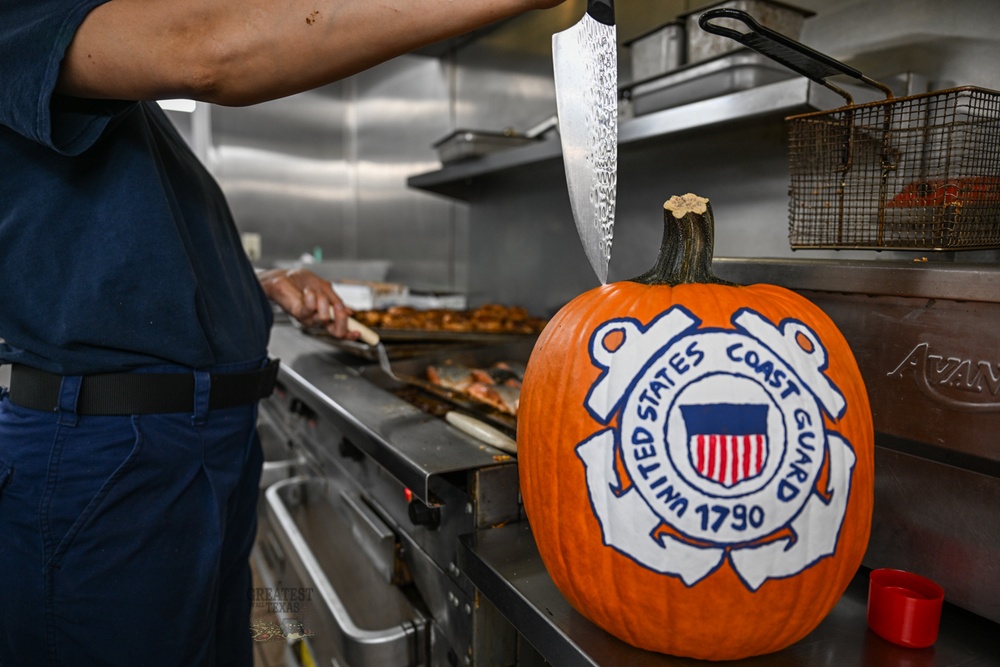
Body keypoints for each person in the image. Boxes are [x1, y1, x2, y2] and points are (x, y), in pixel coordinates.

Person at [0, 0, 565, 664]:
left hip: (183, 449)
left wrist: (247, 283)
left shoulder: (114, 100)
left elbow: (87, 246)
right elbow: (206, 46)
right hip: (112, 459)